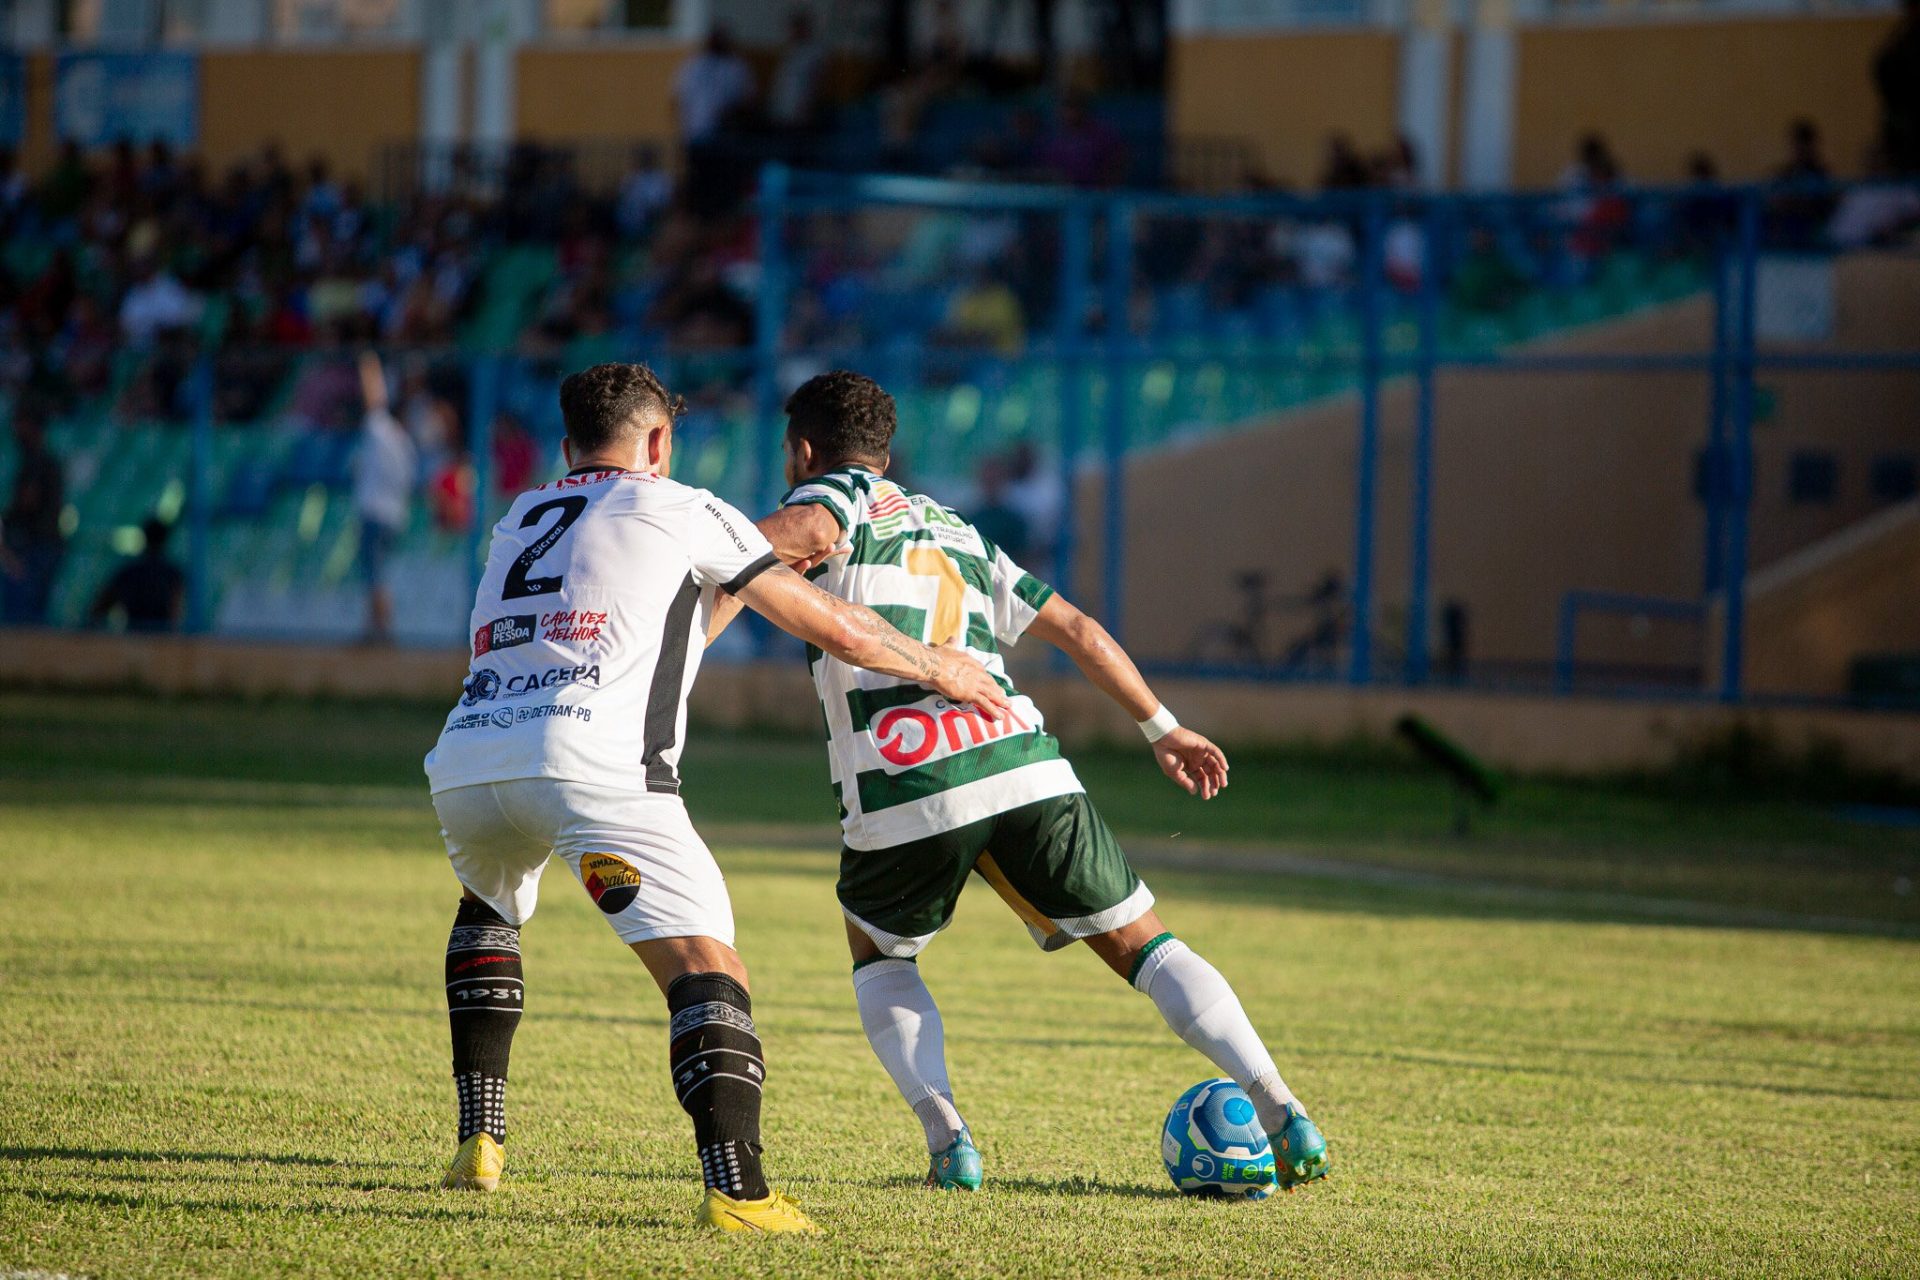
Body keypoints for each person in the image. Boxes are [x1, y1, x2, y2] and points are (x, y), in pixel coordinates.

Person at [421, 362, 1010, 1231]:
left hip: (469, 760)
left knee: (489, 904)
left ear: (566, 445)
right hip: (598, 770)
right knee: (709, 970)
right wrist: (940, 666)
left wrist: (744, 573)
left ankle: (481, 1139)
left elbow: (671, 623)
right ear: (659, 441)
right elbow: (832, 624)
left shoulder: (519, 516)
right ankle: (739, 1191)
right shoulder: (684, 506)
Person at [721, 371, 1330, 1194]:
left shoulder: (831, 499)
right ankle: (1283, 1106)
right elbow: (1074, 626)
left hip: (904, 779)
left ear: (802, 448)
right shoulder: (957, 527)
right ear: (890, 450)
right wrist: (1163, 726)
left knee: (879, 955)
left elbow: (758, 549)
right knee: (1148, 946)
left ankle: (950, 1141)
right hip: (1022, 764)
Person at [350, 351, 417, 643]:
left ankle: (381, 630)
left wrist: (368, 364)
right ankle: (374, 627)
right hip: (395, 515)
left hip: (375, 513)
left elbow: (373, 399)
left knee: (374, 573)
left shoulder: (381, 431)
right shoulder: (407, 445)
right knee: (379, 572)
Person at [1, 405, 66, 625]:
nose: (16, 430)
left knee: (22, 617)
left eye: (20, 424)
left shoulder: (38, 460)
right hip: (40, 545)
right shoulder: (40, 459)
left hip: (33, 546)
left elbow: (29, 501)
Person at [88, 517, 186, 632]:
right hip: (158, 637)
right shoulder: (172, 573)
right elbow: (176, 612)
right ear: (165, 540)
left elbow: (99, 608)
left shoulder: (129, 571)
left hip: (136, 637)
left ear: (145, 537)